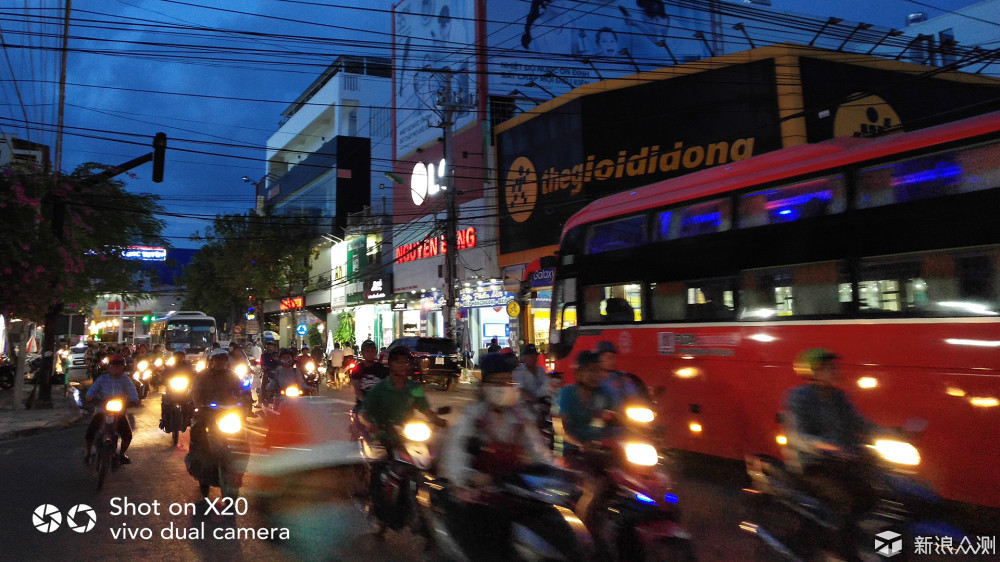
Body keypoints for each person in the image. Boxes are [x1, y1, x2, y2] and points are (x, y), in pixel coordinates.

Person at [438, 352, 560, 558]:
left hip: (518, 493)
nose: (504, 387)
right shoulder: (472, 419)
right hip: (481, 500)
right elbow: (455, 461)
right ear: (485, 386)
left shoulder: (521, 416)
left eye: (508, 381)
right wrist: (471, 477)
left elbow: (539, 452)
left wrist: (557, 471)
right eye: (498, 382)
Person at [783, 348, 877, 555]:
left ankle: (850, 534)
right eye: (828, 368)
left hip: (840, 461)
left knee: (871, 493)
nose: (835, 371)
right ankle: (842, 552)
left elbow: (861, 423)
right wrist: (826, 447)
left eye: (834, 367)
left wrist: (893, 432)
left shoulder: (840, 397)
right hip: (812, 465)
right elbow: (798, 437)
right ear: (813, 372)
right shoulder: (799, 397)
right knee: (845, 500)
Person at [187, 349, 245, 478]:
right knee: (197, 433)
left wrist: (244, 401)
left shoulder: (232, 375)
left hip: (228, 413)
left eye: (223, 361)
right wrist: (199, 405)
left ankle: (241, 466)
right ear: (211, 362)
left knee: (243, 437)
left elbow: (240, 391)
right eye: (217, 361)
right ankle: (196, 465)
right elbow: (195, 393)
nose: (220, 364)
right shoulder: (202, 376)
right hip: (207, 413)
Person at [360, 347, 446, 431]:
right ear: (390, 364)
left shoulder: (414, 387)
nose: (402, 365)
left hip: (408, 433)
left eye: (405, 362)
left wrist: (438, 421)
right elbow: (363, 412)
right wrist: (370, 424)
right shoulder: (380, 389)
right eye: (398, 362)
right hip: (384, 435)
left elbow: (425, 408)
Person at [84, 354, 140, 465]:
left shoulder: (125, 380)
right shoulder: (102, 379)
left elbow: (132, 391)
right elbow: (92, 390)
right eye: (114, 366)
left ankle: (121, 454)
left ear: (122, 367)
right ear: (109, 367)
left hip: (119, 412)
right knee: (90, 433)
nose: (116, 368)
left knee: (127, 435)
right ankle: (88, 453)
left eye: (119, 366)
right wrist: (89, 396)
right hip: (102, 410)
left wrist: (135, 400)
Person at [594, 341, 650, 410]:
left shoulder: (622, 378)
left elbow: (633, 395)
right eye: (605, 356)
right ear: (597, 358)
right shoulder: (592, 379)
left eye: (613, 357)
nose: (611, 360)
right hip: (599, 416)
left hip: (621, 417)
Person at [350, 340, 388, 407]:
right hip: (363, 404)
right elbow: (357, 389)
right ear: (363, 353)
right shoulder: (358, 369)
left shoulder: (382, 368)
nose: (370, 354)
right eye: (367, 351)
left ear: (376, 353)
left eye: (372, 351)